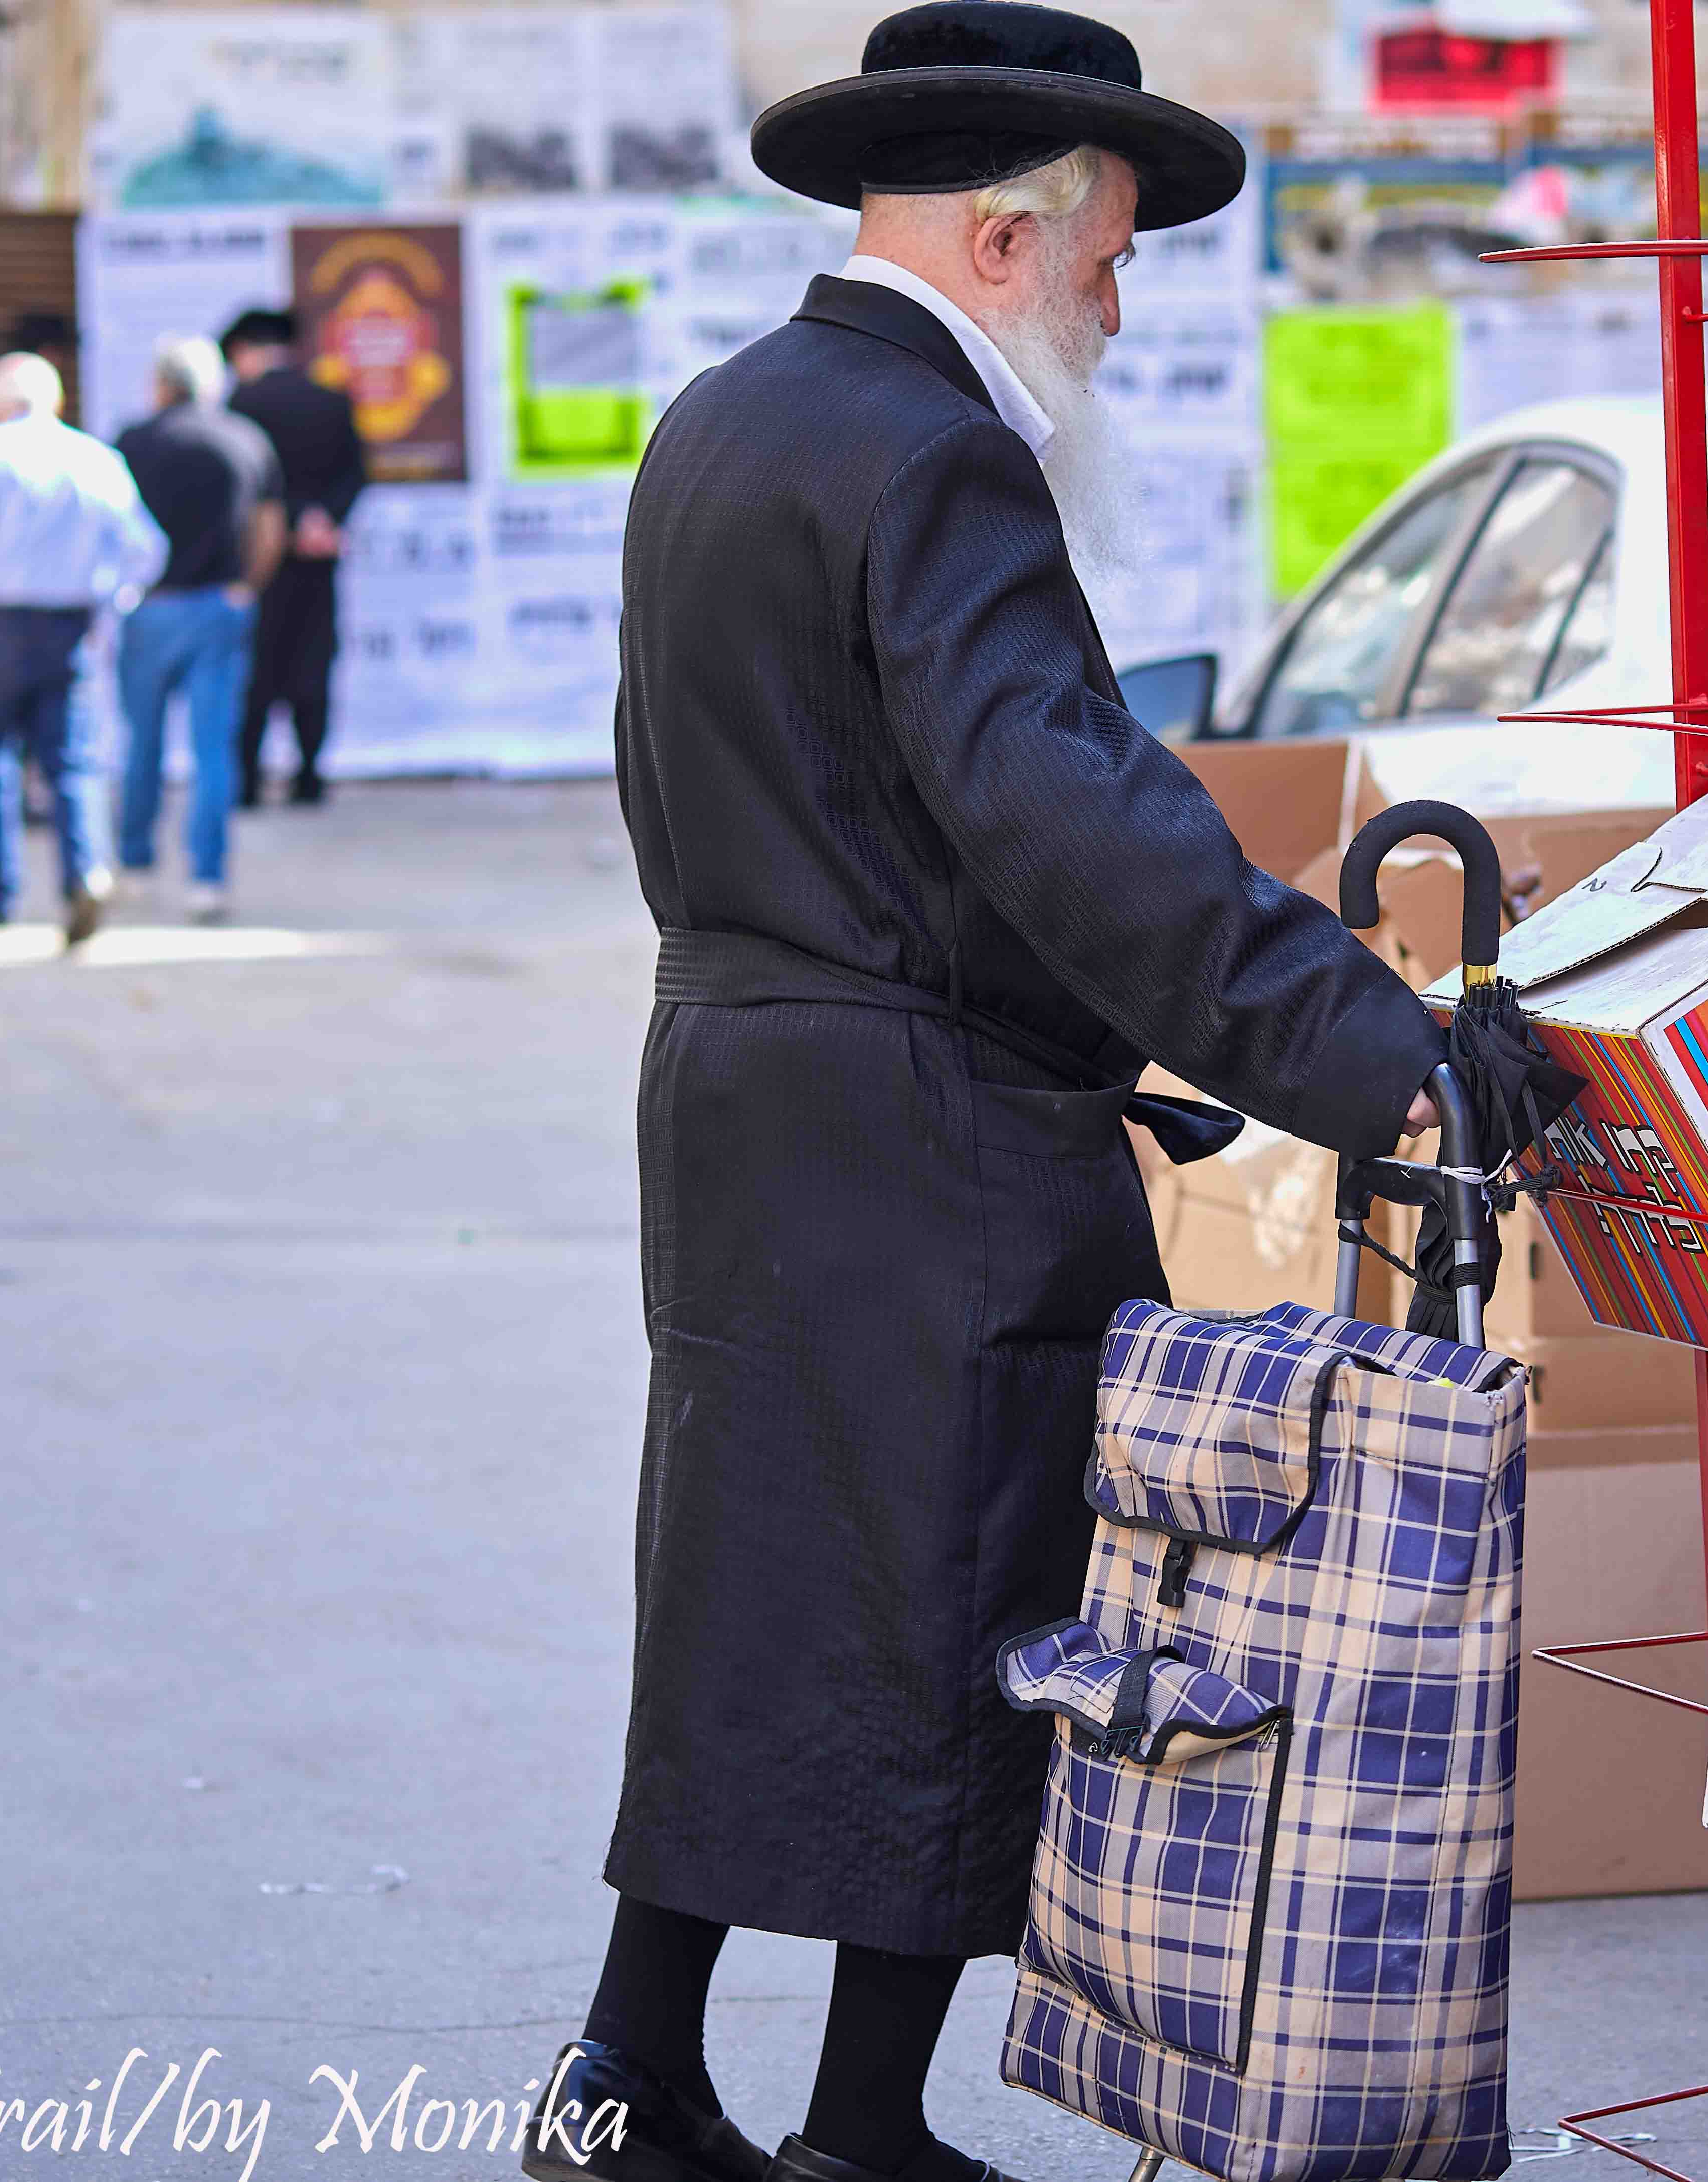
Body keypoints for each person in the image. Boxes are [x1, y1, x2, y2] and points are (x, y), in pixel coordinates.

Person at [528, 11, 1449, 2182]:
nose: (1119, 313)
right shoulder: (937, 452)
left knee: (759, 1585)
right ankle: (856, 2122)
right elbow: (1063, 810)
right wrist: (1363, 1041)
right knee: (960, 1594)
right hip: (918, 1128)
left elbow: (887, 812)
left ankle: (629, 2071)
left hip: (751, 1094)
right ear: (1008, 232)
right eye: (1112, 262)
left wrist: (1114, 1053)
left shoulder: (727, 414)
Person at [0, 353, 166, 948]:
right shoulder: (94, 458)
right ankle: (85, 872)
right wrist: (109, 600)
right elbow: (145, 548)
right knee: (71, 760)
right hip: (68, 625)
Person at [113, 333, 282, 924]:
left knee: (144, 746)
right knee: (214, 752)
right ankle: (206, 880)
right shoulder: (244, 439)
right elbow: (269, 528)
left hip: (152, 608)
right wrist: (248, 586)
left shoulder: (133, 442)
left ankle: (135, 866)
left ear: (161, 385)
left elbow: (114, 529)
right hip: (217, 607)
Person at [220, 307, 365, 808]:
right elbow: (354, 473)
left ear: (244, 352)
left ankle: (248, 783)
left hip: (260, 564)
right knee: (313, 666)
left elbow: (248, 479)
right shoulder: (331, 400)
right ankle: (309, 778)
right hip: (319, 557)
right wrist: (323, 519)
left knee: (257, 671)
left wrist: (294, 519)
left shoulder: (242, 402)